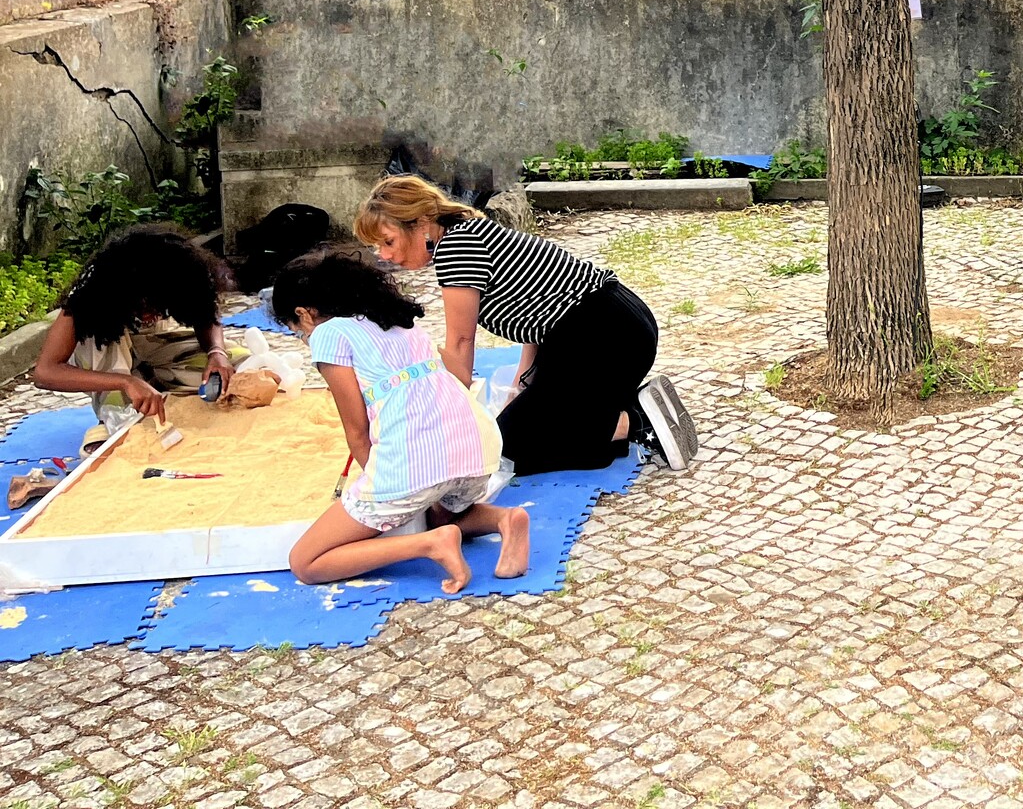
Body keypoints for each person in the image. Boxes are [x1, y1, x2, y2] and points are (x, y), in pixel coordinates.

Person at [355, 176, 697, 475]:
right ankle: (627, 403)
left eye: (388, 241)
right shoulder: (470, 230)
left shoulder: (455, 250)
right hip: (617, 323)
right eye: (377, 246)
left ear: (421, 222)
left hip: (603, 337)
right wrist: (521, 385)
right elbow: (537, 312)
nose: (384, 255)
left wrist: (453, 421)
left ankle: (637, 422)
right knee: (523, 419)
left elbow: (460, 343)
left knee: (508, 448)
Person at [273, 248, 530, 592]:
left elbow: (357, 431)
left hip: (416, 462)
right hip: (476, 447)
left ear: (304, 314)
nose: (302, 339)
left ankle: (430, 544)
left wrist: (374, 488)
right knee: (438, 508)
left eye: (296, 331)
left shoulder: (328, 334)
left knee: (305, 562)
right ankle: (504, 519)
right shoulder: (396, 320)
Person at [32, 225, 236, 443]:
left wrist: (217, 352)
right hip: (107, 354)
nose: (151, 315)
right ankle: (115, 417)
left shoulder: (181, 272)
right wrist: (125, 382)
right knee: (103, 348)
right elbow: (45, 373)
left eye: (158, 307)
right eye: (145, 306)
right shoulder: (91, 292)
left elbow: (205, 314)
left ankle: (150, 384)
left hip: (146, 348)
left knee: (232, 370)